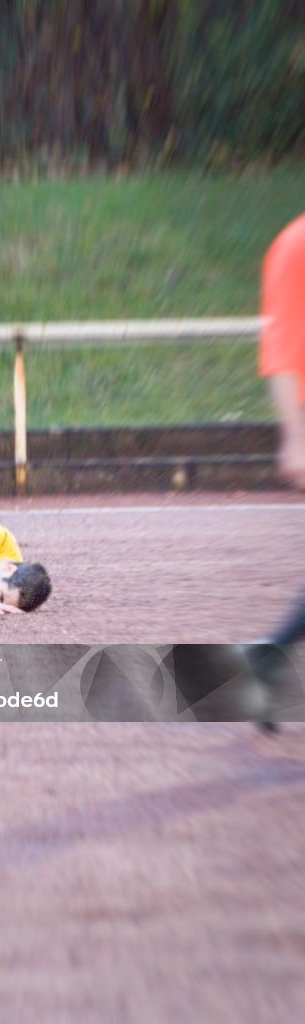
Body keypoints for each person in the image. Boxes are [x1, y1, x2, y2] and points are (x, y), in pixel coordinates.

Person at [248, 213, 305, 727]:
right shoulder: (296, 244)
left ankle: (266, 655)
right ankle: (266, 655)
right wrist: (295, 433)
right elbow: (284, 345)